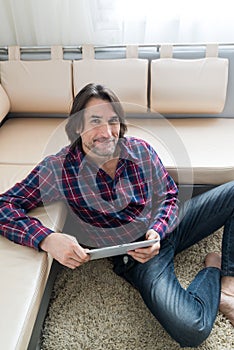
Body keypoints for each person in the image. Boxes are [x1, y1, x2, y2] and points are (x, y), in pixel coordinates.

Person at [0, 83, 233, 347]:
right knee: (192, 329)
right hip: (136, 256)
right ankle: (213, 267)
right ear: (77, 126)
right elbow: (4, 206)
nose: (107, 132)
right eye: (95, 121)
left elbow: (169, 195)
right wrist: (47, 238)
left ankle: (229, 282)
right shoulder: (58, 169)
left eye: (113, 121)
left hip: (167, 226)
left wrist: (158, 228)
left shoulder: (140, 150)